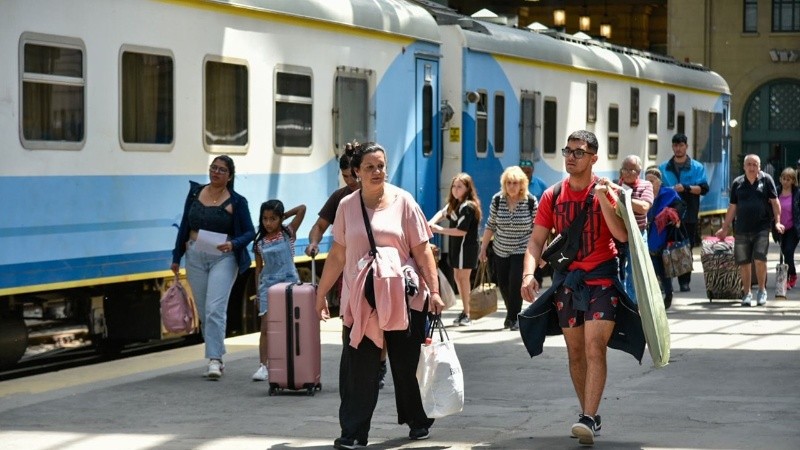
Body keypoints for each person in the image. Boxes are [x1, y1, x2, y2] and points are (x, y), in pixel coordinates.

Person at [314, 142, 444, 449]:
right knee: (357, 368)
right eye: (370, 167)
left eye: (381, 166)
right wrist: (320, 295)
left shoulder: (404, 201)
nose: (377, 172)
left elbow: (422, 250)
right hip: (362, 299)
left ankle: (418, 419)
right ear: (356, 172)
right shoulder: (347, 206)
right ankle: (354, 433)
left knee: (405, 364)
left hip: (403, 297)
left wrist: (434, 291)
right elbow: (338, 254)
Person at [520, 130, 638, 446]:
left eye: (579, 152)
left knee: (593, 346)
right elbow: (536, 240)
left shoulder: (606, 190)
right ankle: (590, 411)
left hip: (602, 278)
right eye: (568, 151)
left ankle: (586, 417)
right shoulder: (553, 195)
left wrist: (603, 199)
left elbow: (622, 236)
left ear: (593, 158)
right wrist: (528, 275)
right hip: (567, 283)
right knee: (575, 352)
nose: (571, 157)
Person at [171, 155, 255, 379]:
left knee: (214, 308)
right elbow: (184, 226)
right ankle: (216, 352)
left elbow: (249, 232)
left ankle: (215, 360)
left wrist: (234, 243)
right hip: (195, 255)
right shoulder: (196, 193)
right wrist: (176, 256)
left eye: (221, 170)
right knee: (204, 309)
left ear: (229, 176)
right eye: (213, 168)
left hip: (222, 257)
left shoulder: (237, 202)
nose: (215, 172)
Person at [715, 154, 783, 307]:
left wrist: (778, 222)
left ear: (759, 167)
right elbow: (732, 207)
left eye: (755, 165)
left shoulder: (766, 180)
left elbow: (775, 202)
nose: (752, 168)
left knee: (760, 259)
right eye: (749, 164)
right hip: (742, 228)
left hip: (762, 227)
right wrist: (724, 228)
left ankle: (761, 290)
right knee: (744, 262)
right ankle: (746, 293)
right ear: (744, 166)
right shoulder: (737, 183)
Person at [251, 200, 306, 381]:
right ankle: (263, 366)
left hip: (290, 283)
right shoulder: (259, 243)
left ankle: (292, 361)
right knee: (266, 327)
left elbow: (301, 208)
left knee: (292, 325)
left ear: (280, 219)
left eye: (273, 219)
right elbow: (259, 269)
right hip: (268, 285)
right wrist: (258, 293)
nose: (268, 223)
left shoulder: (288, 233)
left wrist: (284, 216)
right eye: (265, 219)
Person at [479, 166, 538, 331]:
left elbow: (538, 228)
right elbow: (490, 224)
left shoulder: (531, 201)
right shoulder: (497, 199)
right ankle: (511, 314)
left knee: (514, 283)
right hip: (501, 248)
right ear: (504, 184)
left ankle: (514, 317)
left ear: (522, 184)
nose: (512, 186)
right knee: (503, 283)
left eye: (515, 183)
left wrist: (541, 252)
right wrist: (483, 247)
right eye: (508, 183)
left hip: (521, 248)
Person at [428, 173, 481, 326]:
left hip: (467, 248)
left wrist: (438, 230)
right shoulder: (456, 204)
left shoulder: (468, 207)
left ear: (467, 189)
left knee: (463, 279)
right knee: (458, 278)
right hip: (457, 248)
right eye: (454, 186)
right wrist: (430, 222)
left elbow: (461, 231)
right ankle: (465, 311)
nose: (455, 190)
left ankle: (467, 313)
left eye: (459, 187)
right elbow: (443, 213)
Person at [659, 133, 709, 292]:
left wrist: (686, 188)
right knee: (666, 247)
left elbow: (704, 189)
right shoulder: (663, 168)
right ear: (672, 147)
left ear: (686, 147)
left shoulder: (697, 167)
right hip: (668, 214)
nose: (678, 148)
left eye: (681, 145)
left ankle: (684, 281)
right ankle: (667, 281)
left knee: (686, 247)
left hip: (689, 214)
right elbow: (657, 189)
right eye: (675, 145)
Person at [611, 156, 653, 302]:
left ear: (639, 171)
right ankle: (621, 302)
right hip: (618, 235)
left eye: (631, 169)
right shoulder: (615, 185)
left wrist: (624, 197)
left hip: (638, 234)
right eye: (624, 169)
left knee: (636, 272)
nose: (627, 173)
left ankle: (633, 305)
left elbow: (644, 207)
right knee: (618, 270)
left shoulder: (646, 185)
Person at [644, 167, 686, 309]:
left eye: (652, 180)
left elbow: (681, 207)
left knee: (664, 270)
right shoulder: (643, 194)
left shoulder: (669, 193)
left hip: (664, 235)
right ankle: (656, 295)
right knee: (653, 269)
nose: (649, 183)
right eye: (647, 180)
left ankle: (668, 293)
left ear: (659, 181)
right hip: (648, 236)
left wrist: (672, 214)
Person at [778, 167, 800, 290]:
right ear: (780, 179)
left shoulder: (797, 194)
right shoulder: (776, 191)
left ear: (793, 180)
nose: (785, 181)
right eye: (783, 178)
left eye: (788, 179)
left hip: (793, 228)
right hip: (780, 229)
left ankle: (792, 276)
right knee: (785, 254)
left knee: (788, 251)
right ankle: (788, 276)